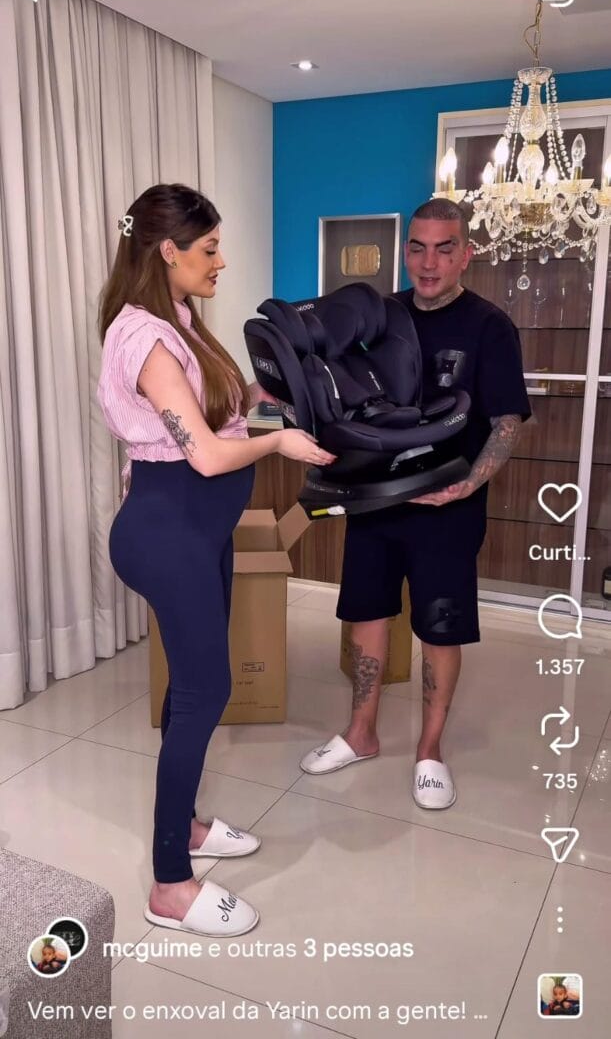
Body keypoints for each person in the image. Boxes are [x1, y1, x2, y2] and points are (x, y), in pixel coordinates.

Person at [97, 183, 335, 937]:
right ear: (167, 250)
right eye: (208, 249)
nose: (220, 261)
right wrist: (277, 442)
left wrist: (273, 399)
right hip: (167, 532)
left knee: (193, 685)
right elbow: (201, 455)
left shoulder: (181, 319)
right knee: (207, 691)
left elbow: (218, 416)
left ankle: (189, 825)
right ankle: (169, 885)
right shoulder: (143, 338)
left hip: (199, 533)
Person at [300, 197, 531, 810]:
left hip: (447, 507)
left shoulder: (489, 326)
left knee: (439, 626)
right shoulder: (380, 315)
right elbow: (340, 393)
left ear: (466, 255)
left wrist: (469, 484)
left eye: (444, 249)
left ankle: (430, 749)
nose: (429, 263)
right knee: (367, 612)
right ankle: (361, 733)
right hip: (377, 500)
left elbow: (507, 421)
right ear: (406, 251)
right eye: (418, 248)